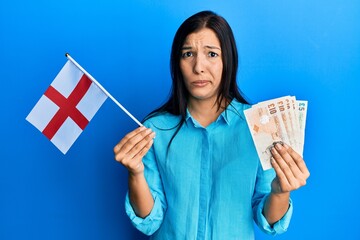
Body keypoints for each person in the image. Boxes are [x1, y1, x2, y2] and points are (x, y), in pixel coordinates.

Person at [113, 10, 310, 239]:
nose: (199, 67)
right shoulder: (155, 129)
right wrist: (135, 173)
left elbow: (268, 221)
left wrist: (280, 191)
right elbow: (150, 220)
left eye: (212, 54)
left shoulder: (260, 125)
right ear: (177, 63)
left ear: (228, 60)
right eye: (188, 54)